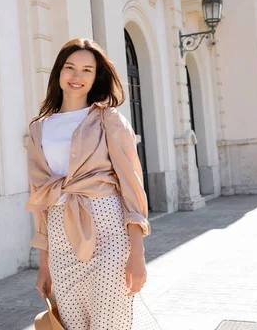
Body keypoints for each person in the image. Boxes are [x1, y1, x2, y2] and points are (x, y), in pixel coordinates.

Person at [26, 38, 159, 329]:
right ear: (59, 72)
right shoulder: (38, 128)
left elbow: (132, 187)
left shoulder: (108, 119)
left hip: (109, 232)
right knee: (71, 325)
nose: (77, 76)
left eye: (87, 70)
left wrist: (137, 255)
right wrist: (44, 264)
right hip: (61, 240)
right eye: (70, 67)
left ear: (95, 76)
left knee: (111, 323)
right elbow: (41, 198)